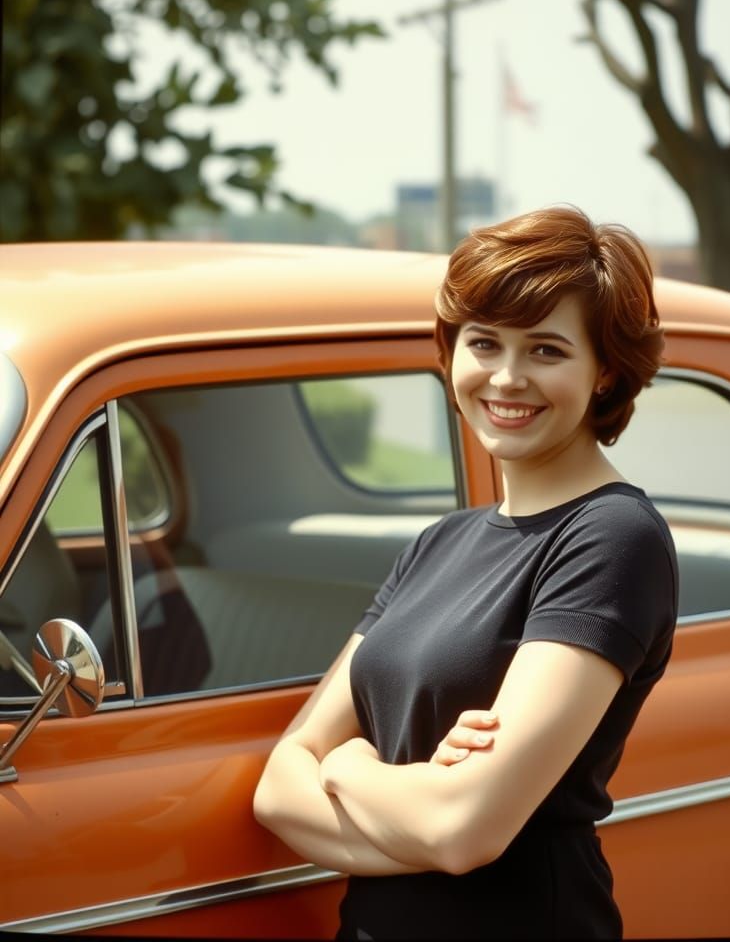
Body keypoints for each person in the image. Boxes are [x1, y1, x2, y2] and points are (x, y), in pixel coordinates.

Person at [253, 205, 679, 940]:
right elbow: (277, 787)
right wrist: (421, 804)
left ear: (606, 370)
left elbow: (465, 832)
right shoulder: (438, 541)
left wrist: (353, 768)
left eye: (547, 350)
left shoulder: (613, 537)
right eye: (484, 343)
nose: (506, 378)